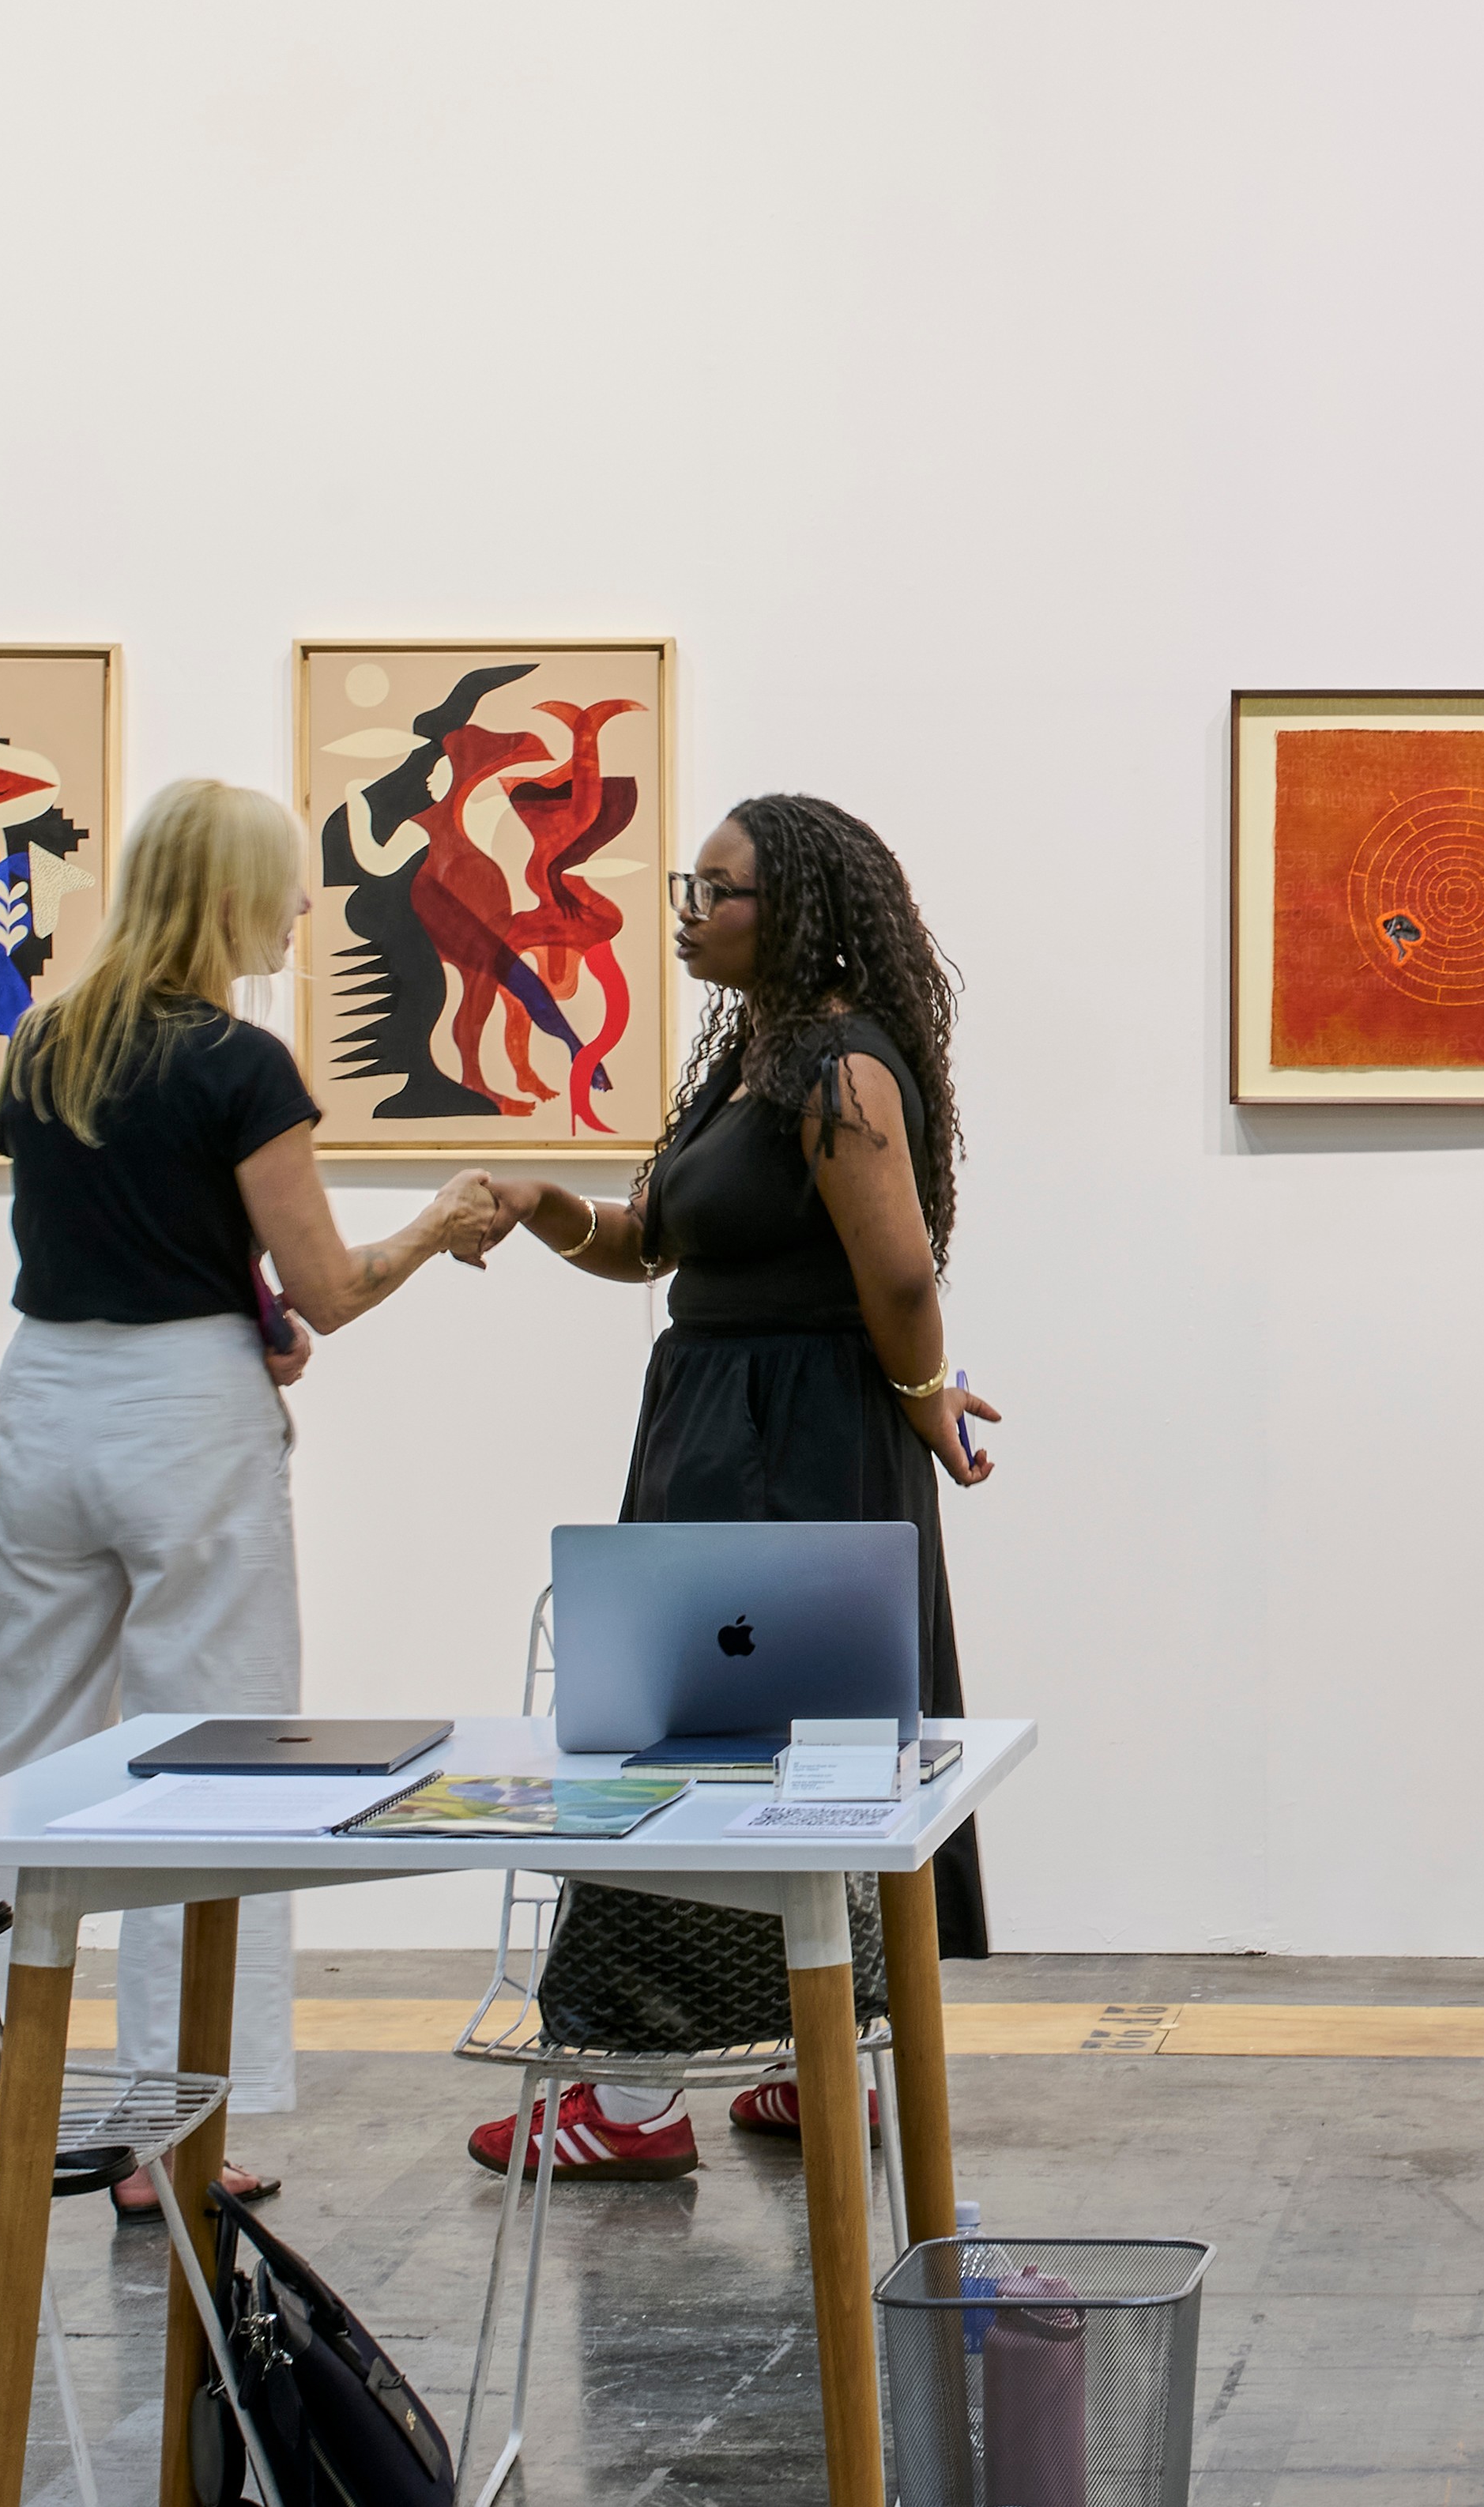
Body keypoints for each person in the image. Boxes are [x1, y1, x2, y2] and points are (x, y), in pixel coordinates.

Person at [0, 778, 510, 2226]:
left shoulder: (50, 1043)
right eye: (284, 884)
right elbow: (329, 1289)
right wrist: (437, 1223)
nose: (300, 908)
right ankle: (172, 2134)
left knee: (5, 1751)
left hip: (48, 1406)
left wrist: (246, 1310)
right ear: (230, 893)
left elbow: (118, 1236)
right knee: (213, 1766)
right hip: (188, 1428)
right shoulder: (241, 1062)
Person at [465, 794, 1000, 2176]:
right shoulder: (757, 1059)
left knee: (709, 1747)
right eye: (688, 888)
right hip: (728, 1427)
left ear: (798, 910)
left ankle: (628, 2094)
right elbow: (651, 1241)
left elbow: (900, 1273)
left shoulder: (836, 1070)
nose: (689, 915)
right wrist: (546, 1207)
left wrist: (922, 1390)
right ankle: (811, 2062)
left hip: (790, 1442)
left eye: (717, 891)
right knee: (767, 1747)